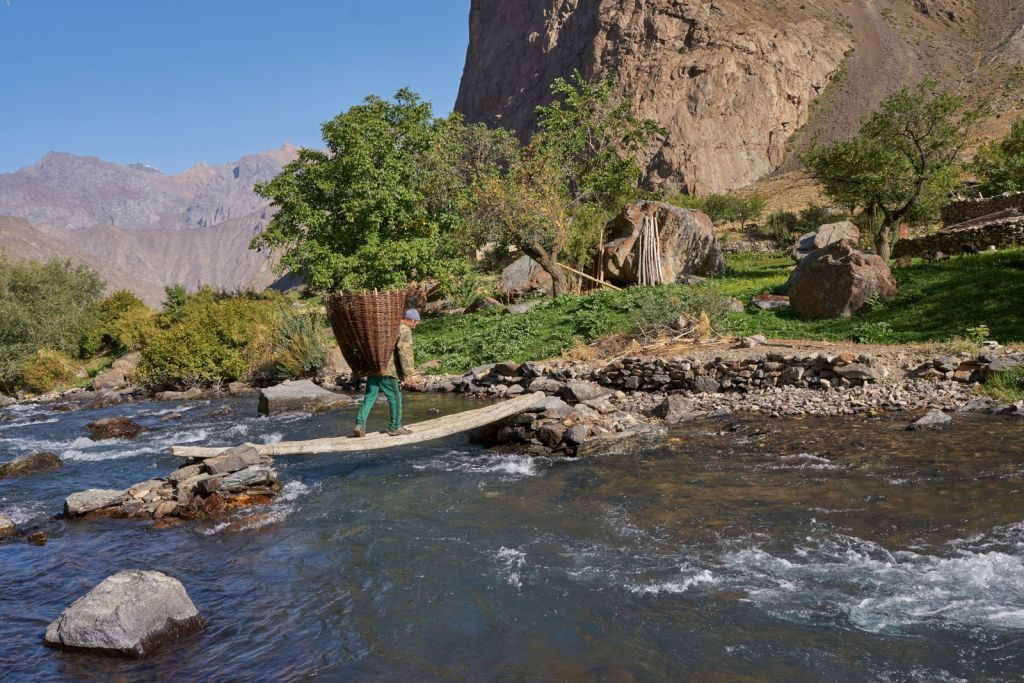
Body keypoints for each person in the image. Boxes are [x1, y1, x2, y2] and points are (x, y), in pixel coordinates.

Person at [353, 309, 420, 437]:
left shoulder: (386, 326)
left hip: (373, 368)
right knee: (395, 398)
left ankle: (360, 424)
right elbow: (405, 352)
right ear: (411, 320)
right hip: (388, 370)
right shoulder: (404, 329)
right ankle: (395, 427)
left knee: (369, 398)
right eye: (416, 323)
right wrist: (409, 374)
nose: (415, 326)